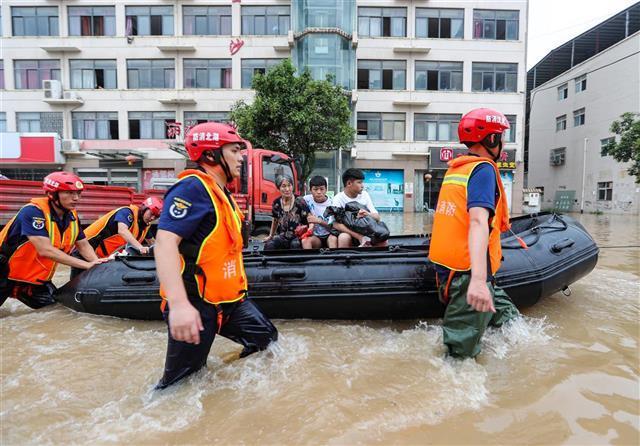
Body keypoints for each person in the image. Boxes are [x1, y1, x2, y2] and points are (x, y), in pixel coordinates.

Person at [154, 122, 278, 389]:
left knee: (267, 341)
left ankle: (234, 385)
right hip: (195, 304)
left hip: (230, 301)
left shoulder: (222, 193)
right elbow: (164, 242)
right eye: (234, 150)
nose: (241, 157)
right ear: (211, 155)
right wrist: (179, 305)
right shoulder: (192, 189)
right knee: (181, 383)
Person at [428, 108, 520, 359]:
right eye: (501, 137)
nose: (503, 144)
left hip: (450, 270)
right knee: (460, 356)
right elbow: (478, 221)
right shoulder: (483, 170)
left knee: (511, 320)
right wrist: (479, 281)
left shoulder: (457, 168)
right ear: (491, 139)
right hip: (468, 274)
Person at [0, 172, 107, 309]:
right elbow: (45, 250)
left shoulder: (72, 217)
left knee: (56, 310)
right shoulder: (33, 212)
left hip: (32, 278)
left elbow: (84, 246)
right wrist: (86, 265)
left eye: (78, 193)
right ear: (53, 194)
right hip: (4, 272)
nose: (76, 198)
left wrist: (96, 262)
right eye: (69, 193)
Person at [83, 196, 163, 257]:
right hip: (85, 248)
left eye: (156, 217)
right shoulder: (126, 212)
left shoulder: (144, 226)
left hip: (98, 255)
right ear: (144, 208)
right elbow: (122, 230)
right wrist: (140, 247)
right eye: (151, 214)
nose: (152, 218)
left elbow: (152, 242)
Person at [332, 168, 383, 248]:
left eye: (362, 182)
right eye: (359, 182)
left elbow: (377, 217)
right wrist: (359, 237)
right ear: (349, 183)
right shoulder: (338, 199)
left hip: (365, 231)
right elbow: (335, 224)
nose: (362, 186)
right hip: (348, 232)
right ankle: (345, 259)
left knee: (382, 236)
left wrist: (368, 214)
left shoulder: (365, 195)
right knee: (343, 237)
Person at [264, 174, 310, 250]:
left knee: (295, 245)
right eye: (284, 186)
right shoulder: (277, 203)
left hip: (298, 236)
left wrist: (307, 233)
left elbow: (309, 218)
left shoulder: (300, 201)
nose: (287, 189)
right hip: (283, 236)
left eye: (289, 185)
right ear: (278, 188)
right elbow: (275, 220)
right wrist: (271, 236)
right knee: (270, 245)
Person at [302, 175, 337, 249]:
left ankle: (333, 259)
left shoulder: (332, 203)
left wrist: (319, 221)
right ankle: (310, 260)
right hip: (315, 237)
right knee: (305, 240)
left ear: (326, 189)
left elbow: (335, 227)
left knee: (333, 239)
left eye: (322, 189)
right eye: (315, 189)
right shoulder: (306, 200)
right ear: (310, 190)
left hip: (329, 235)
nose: (319, 192)